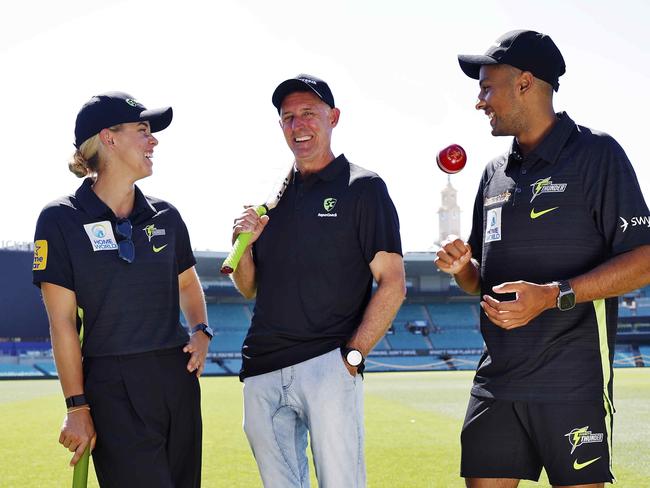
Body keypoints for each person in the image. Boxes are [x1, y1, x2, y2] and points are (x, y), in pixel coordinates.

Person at [435, 30, 650, 488]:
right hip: (496, 383)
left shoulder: (598, 155)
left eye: (486, 87)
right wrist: (461, 269)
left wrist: (553, 296)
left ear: (526, 83)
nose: (479, 101)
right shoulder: (494, 172)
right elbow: (481, 280)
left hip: (572, 386)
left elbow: (645, 261)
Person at [229, 74, 406, 488]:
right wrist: (243, 246)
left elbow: (393, 283)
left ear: (333, 117)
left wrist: (353, 358)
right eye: (288, 117)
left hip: (328, 365)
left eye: (309, 113)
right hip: (263, 369)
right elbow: (248, 287)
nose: (298, 125)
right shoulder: (271, 200)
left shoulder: (363, 188)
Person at [32, 92, 211, 487]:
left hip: (175, 378)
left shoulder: (167, 215)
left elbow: (187, 284)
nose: (154, 141)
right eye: (143, 131)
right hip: (112, 385)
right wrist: (76, 406)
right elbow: (61, 323)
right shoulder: (59, 219)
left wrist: (201, 330)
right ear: (109, 139)